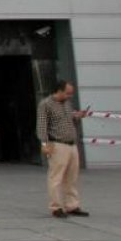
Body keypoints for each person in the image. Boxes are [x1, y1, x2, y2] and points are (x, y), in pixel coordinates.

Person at [37, 80, 91, 219]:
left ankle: (72, 205)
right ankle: (56, 207)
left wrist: (78, 116)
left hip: (72, 144)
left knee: (71, 177)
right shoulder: (45, 104)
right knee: (56, 177)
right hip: (58, 144)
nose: (70, 96)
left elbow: (69, 118)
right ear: (59, 90)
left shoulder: (67, 104)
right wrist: (44, 144)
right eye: (67, 93)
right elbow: (42, 126)